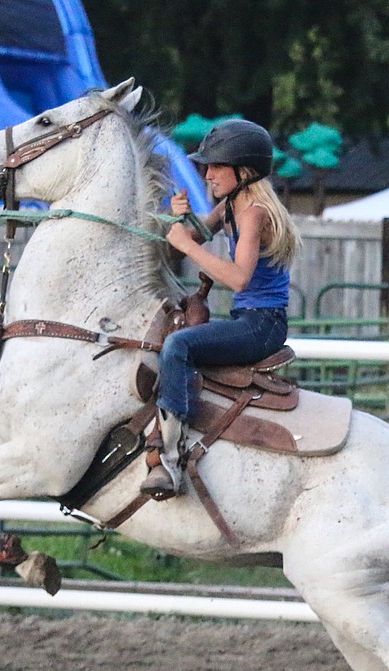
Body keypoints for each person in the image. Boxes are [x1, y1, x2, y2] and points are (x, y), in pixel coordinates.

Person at [140, 118, 302, 499]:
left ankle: (167, 455)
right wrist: (179, 216)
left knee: (179, 347)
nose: (207, 174)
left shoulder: (254, 213)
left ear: (242, 172)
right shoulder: (231, 206)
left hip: (263, 325)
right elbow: (193, 232)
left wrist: (186, 244)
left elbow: (239, 278)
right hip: (249, 320)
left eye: (215, 166)